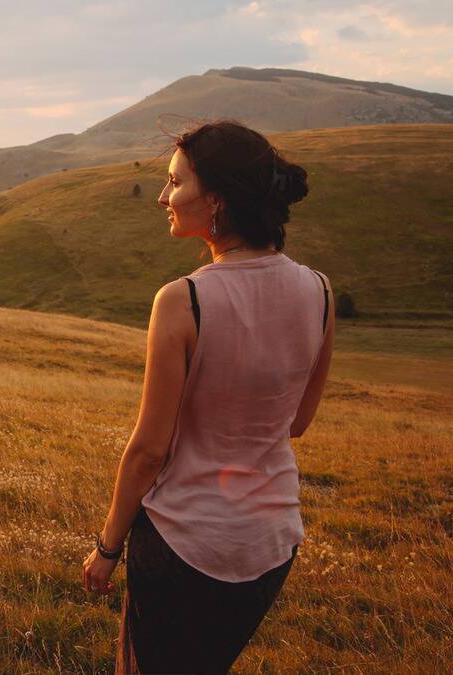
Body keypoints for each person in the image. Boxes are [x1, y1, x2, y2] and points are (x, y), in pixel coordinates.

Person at [80, 119, 335, 674]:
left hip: (186, 543)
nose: (164, 197)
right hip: (271, 543)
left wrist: (107, 548)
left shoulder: (184, 299)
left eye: (176, 182)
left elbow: (150, 449)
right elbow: (297, 422)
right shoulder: (318, 289)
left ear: (216, 200)